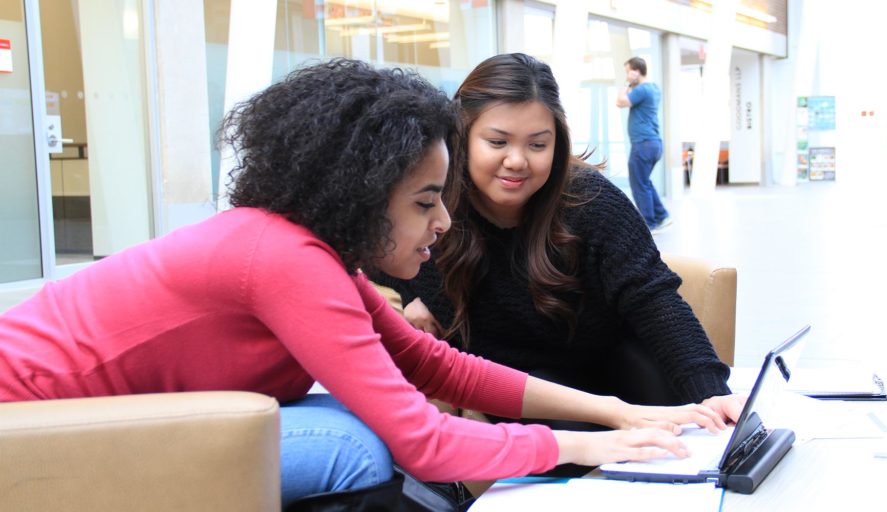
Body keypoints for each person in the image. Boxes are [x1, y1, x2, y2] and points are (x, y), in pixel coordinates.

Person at [0, 59, 731, 509]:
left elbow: (433, 363)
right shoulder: (285, 261)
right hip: (29, 428)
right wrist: (584, 449)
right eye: (423, 202)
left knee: (367, 423)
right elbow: (424, 444)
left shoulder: (304, 251)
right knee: (359, 443)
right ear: (360, 192)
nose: (444, 223)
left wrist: (616, 414)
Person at [373, 53, 742, 450]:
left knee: (690, 427)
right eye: (497, 142)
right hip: (516, 380)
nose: (516, 161)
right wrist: (411, 294)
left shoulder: (591, 201)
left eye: (537, 144)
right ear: (461, 136)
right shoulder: (432, 203)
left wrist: (711, 392)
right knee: (580, 442)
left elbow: (652, 297)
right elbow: (372, 250)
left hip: (604, 358)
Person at [616, 56, 670, 233]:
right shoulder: (654, 89)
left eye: (628, 72)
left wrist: (628, 84)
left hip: (643, 144)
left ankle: (649, 223)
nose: (627, 76)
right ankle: (662, 215)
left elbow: (620, 102)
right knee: (644, 182)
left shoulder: (642, 90)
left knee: (639, 184)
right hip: (653, 144)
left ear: (636, 71)